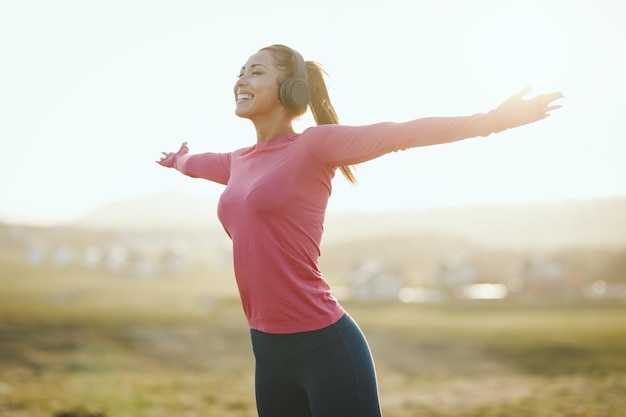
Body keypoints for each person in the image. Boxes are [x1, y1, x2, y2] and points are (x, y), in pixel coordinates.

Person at [157, 44, 563, 417]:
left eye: (256, 72)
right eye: (240, 71)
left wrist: (494, 121)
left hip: (324, 346)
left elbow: (401, 134)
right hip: (267, 349)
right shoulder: (237, 162)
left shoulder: (313, 145)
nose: (241, 80)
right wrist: (179, 158)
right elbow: (194, 164)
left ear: (291, 89)